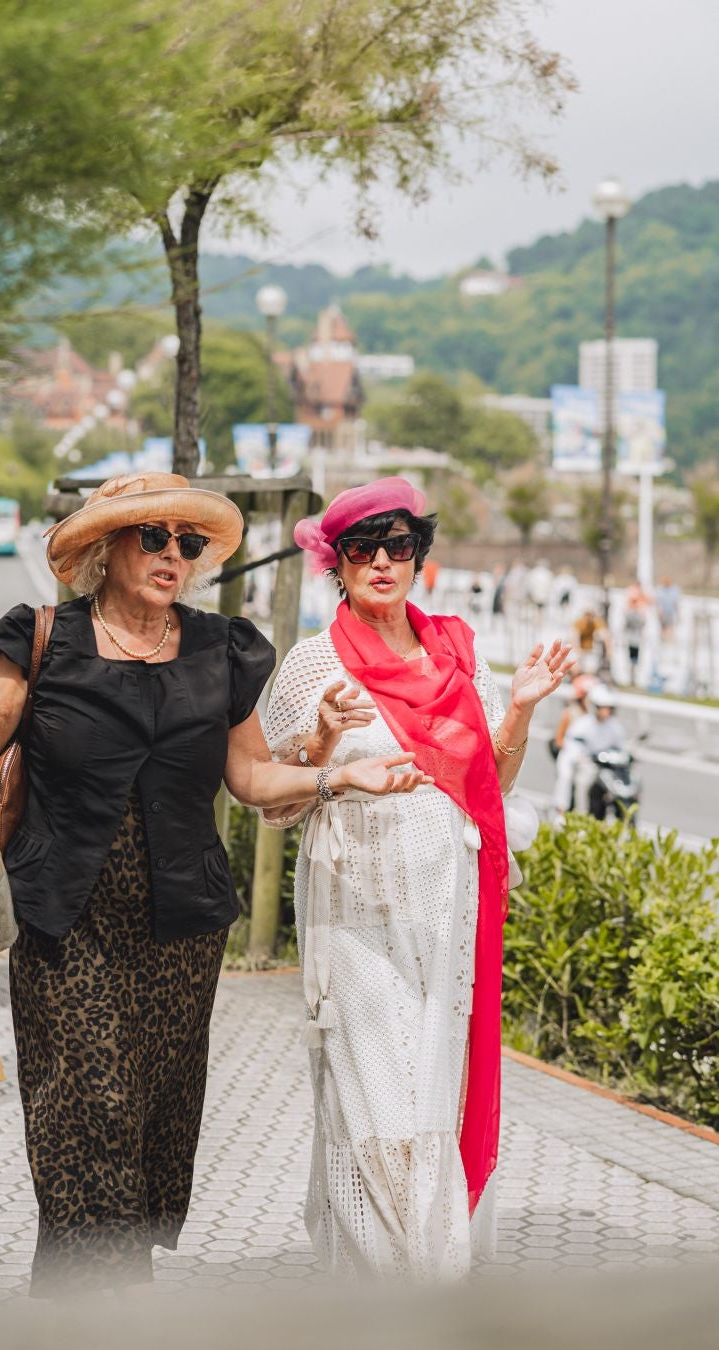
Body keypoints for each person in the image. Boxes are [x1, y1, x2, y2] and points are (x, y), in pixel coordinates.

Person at [0, 472, 424, 1294]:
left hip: (181, 927)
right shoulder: (43, 637)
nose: (173, 556)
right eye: (153, 538)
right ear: (103, 550)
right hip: (65, 915)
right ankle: (99, 1300)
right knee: (90, 1107)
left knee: (150, 1120)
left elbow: (252, 779)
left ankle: (94, 1295)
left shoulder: (222, 647)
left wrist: (338, 778)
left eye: (187, 544)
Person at [263, 477, 572, 1279]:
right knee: (376, 1095)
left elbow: (492, 782)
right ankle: (411, 1285)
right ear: (338, 563)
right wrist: (325, 742)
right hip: (355, 915)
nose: (382, 562)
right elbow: (270, 800)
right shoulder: (312, 664)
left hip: (443, 918)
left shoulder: (457, 654)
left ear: (419, 557)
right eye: (363, 547)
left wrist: (524, 709)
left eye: (399, 545)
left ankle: (422, 1273)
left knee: (432, 1093)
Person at [553, 684, 626, 818]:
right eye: (603, 707)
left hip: (604, 764)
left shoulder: (615, 727)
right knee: (572, 779)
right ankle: (571, 813)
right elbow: (571, 745)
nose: (606, 712)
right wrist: (581, 757)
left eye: (609, 708)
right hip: (582, 762)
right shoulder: (582, 724)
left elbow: (621, 748)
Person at [623, 581, 651, 686]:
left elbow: (642, 623)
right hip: (631, 639)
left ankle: (634, 677)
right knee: (631, 658)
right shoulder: (630, 613)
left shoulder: (639, 613)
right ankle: (630, 676)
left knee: (635, 659)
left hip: (637, 639)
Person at [572, 606, 611, 677]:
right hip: (579, 649)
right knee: (575, 668)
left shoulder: (597, 622)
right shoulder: (579, 623)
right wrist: (577, 651)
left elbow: (605, 635)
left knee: (590, 670)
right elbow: (574, 638)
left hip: (589, 650)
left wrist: (609, 651)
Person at [655, 576, 681, 644]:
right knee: (663, 627)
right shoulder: (660, 589)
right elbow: (658, 602)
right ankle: (663, 641)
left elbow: (676, 602)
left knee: (670, 627)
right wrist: (659, 611)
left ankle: (669, 641)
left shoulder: (674, 590)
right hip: (663, 612)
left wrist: (678, 613)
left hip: (670, 612)